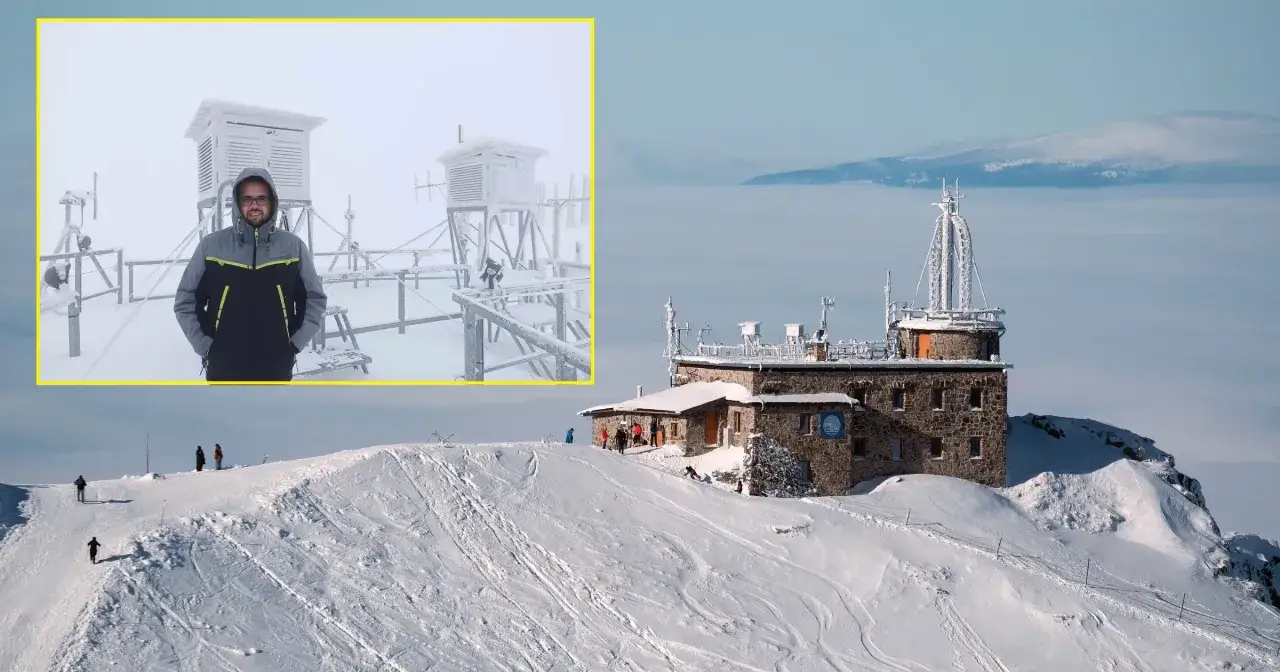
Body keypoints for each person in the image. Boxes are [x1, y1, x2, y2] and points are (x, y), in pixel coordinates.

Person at [174, 167, 328, 382]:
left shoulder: (293, 247)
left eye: (261, 199)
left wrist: (293, 345)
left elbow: (314, 299)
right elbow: (185, 300)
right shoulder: (212, 246)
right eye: (247, 199)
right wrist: (205, 346)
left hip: (275, 368)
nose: (254, 205)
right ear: (237, 203)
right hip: (223, 369)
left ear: (272, 202)